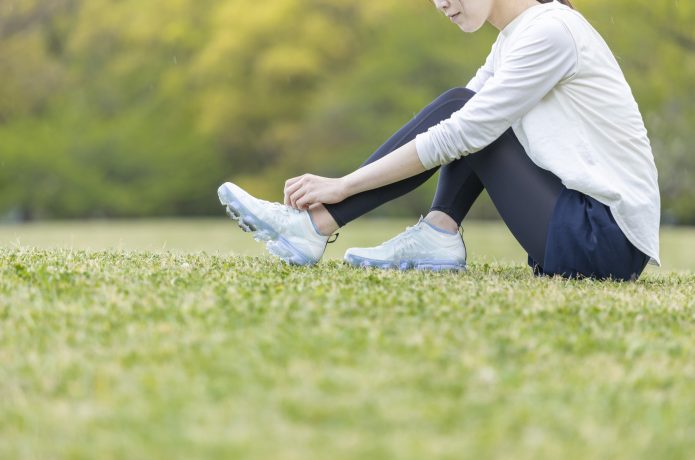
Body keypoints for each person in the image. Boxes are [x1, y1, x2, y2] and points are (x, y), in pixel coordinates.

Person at [218, 0, 660, 281]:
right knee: (464, 105)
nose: (441, 3)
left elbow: (461, 130)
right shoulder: (517, 38)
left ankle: (316, 224)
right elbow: (454, 123)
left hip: (603, 241)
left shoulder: (552, 31)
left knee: (464, 113)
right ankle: (439, 230)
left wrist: (343, 185)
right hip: (585, 232)